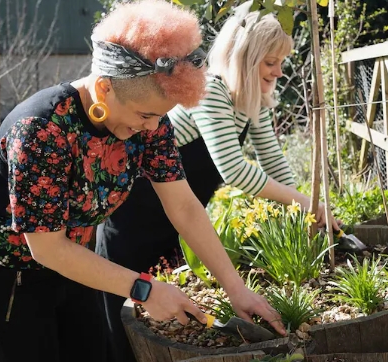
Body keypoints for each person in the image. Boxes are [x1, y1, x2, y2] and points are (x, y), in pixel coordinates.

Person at [0, 1, 285, 361]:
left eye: (160, 117)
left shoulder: (150, 124)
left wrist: (237, 290)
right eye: (145, 115)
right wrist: (144, 289)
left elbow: (184, 206)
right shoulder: (41, 130)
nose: (153, 127)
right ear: (105, 88)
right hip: (12, 281)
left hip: (80, 269)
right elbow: (47, 247)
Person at [96, 6, 340, 362]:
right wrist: (305, 203)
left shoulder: (250, 101)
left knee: (168, 312)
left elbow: (273, 161)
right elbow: (235, 170)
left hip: (179, 218)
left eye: (281, 61)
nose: (279, 70)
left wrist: (306, 213)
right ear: (246, 57)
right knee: (127, 319)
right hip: (137, 215)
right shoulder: (211, 92)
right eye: (270, 61)